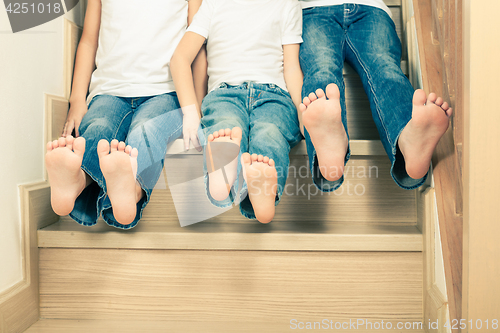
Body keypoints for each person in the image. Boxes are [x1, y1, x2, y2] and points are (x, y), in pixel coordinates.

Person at [45, 0, 205, 228]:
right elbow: (89, 41)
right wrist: (77, 99)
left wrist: (196, 108)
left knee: (147, 130)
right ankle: (78, 181)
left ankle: (132, 191)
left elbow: (197, 49)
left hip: (165, 92)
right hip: (109, 91)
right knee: (98, 127)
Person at [171, 0, 304, 223]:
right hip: (225, 93)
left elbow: (291, 67)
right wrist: (191, 112)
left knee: (269, 133)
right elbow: (180, 59)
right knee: (226, 125)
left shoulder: (287, 4)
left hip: (274, 95)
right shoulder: (213, 4)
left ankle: (262, 194)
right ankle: (221, 181)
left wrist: (302, 113)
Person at [298, 0, 452, 191]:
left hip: (370, 8)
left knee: (384, 68)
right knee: (324, 72)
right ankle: (329, 153)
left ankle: (407, 140)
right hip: (313, 10)